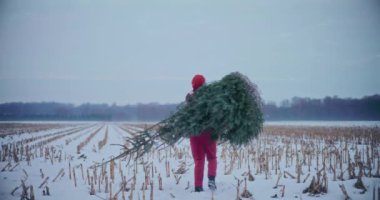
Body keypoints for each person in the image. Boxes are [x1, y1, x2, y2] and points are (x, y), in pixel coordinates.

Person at [186, 74, 217, 192]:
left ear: (193, 85)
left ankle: (198, 186)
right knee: (212, 157)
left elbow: (187, 118)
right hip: (209, 133)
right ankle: (211, 180)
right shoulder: (211, 98)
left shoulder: (189, 99)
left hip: (195, 134)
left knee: (199, 160)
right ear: (204, 84)